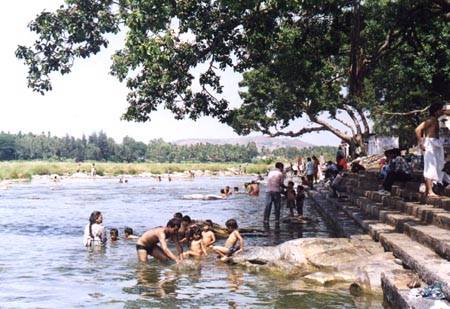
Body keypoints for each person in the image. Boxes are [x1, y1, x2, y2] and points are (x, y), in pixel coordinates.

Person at [415, 102, 445, 196]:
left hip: (435, 144)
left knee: (437, 166)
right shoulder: (431, 120)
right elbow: (417, 129)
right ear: (436, 111)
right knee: (430, 167)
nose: (442, 111)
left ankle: (429, 190)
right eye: (440, 110)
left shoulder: (436, 120)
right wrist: (421, 142)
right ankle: (430, 191)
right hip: (430, 144)